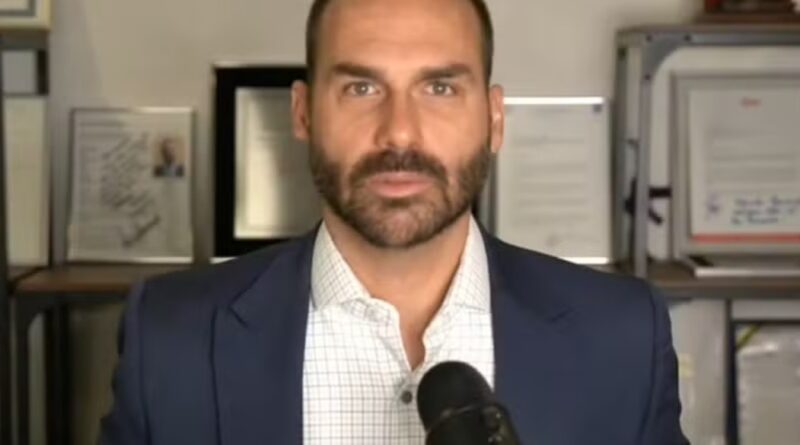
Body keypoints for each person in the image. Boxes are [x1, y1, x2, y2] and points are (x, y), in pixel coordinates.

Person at [99, 0, 688, 443]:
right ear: (303, 113)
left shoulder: (622, 338)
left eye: (439, 87)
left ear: (493, 118)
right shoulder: (171, 337)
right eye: (361, 87)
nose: (400, 132)